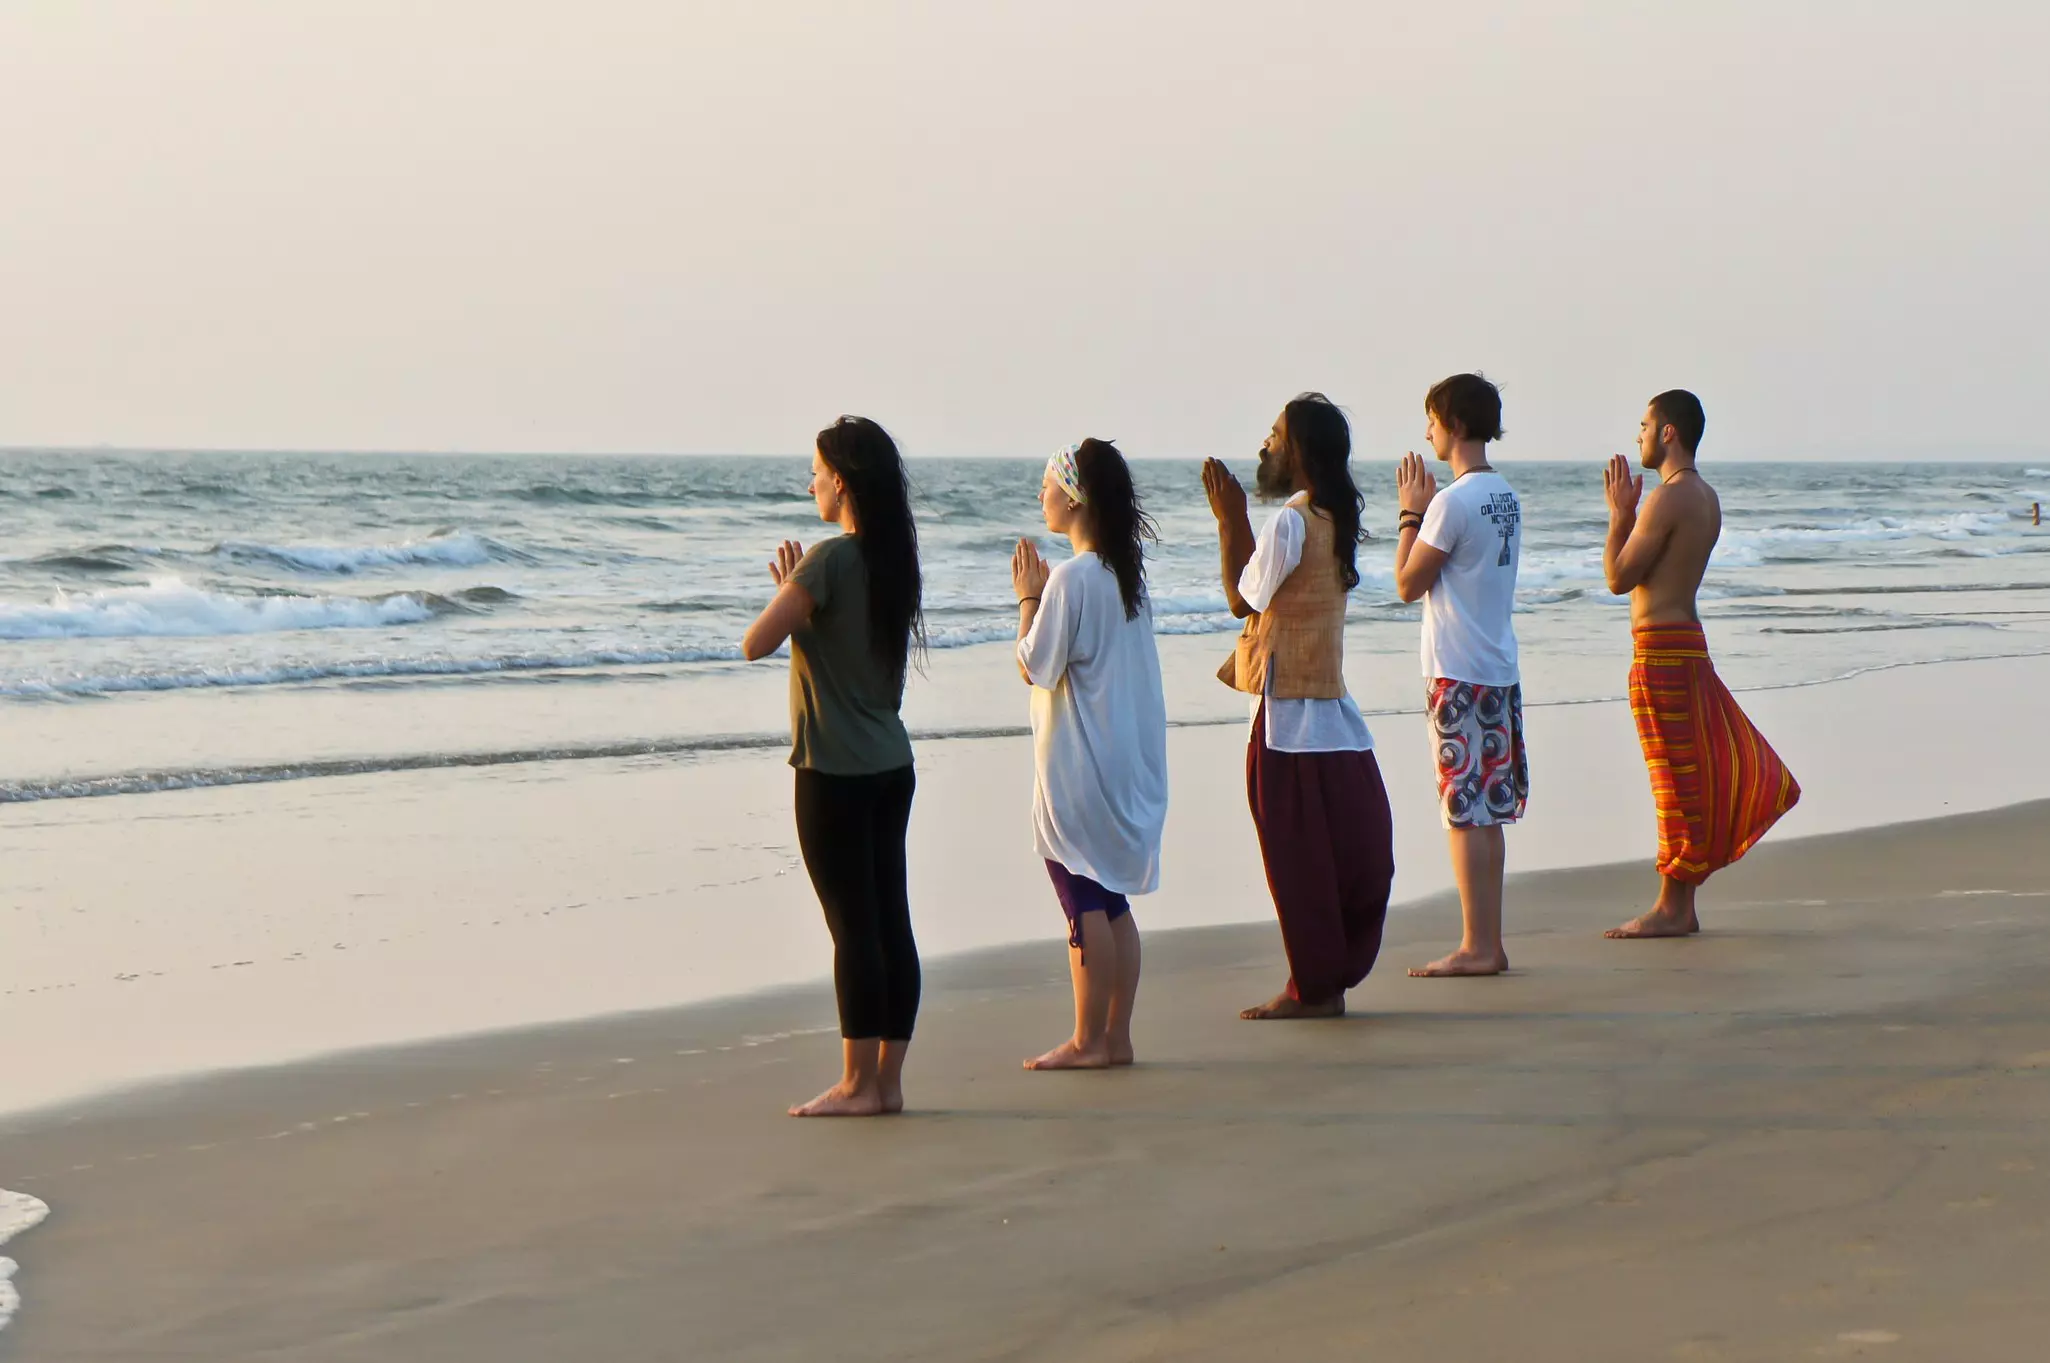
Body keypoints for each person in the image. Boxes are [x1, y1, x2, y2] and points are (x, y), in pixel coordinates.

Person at [742, 416, 925, 1116]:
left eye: (815, 470)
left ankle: (855, 1085)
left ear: (840, 481)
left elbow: (756, 642)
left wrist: (792, 590)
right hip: (890, 764)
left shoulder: (830, 559)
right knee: (890, 923)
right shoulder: (891, 562)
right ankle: (888, 1081)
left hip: (833, 774)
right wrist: (805, 594)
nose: (809, 481)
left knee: (852, 927)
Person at [1203, 393, 1395, 1019]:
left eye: (1276, 435)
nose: (1265, 445)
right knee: (1342, 855)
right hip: (1317, 713)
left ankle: (1317, 985)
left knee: (1304, 861)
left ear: (1301, 451)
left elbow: (1241, 600)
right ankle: (1317, 983)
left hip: (1296, 718)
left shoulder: (1292, 520)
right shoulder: (1333, 516)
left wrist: (1230, 519)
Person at [1600, 390, 1801, 937]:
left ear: (1669, 432)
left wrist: (1619, 516)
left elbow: (1618, 578)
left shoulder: (1668, 499)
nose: (1637, 435)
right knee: (1686, 773)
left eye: (1644, 425)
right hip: (1686, 641)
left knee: (1673, 776)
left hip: (1662, 648)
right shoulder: (1706, 496)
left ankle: (1672, 907)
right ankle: (1679, 904)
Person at [1010, 440, 1168, 1069]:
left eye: (1047, 485)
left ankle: (1086, 1040)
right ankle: (1117, 1036)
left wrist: (1028, 596)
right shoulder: (1120, 577)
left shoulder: (1073, 579)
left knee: (1082, 900)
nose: (1040, 497)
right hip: (1120, 761)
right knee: (1113, 901)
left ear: (1073, 497)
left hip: (1078, 769)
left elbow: (1034, 666)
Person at [1395, 373, 1526, 978]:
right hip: (1497, 666)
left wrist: (1409, 516)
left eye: (1432, 420)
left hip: (1456, 671)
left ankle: (1477, 944)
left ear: (1454, 424)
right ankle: (1488, 941)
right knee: (1489, 809)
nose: (1427, 432)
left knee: (1464, 808)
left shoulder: (1451, 502)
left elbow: (1406, 583)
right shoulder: (1505, 495)